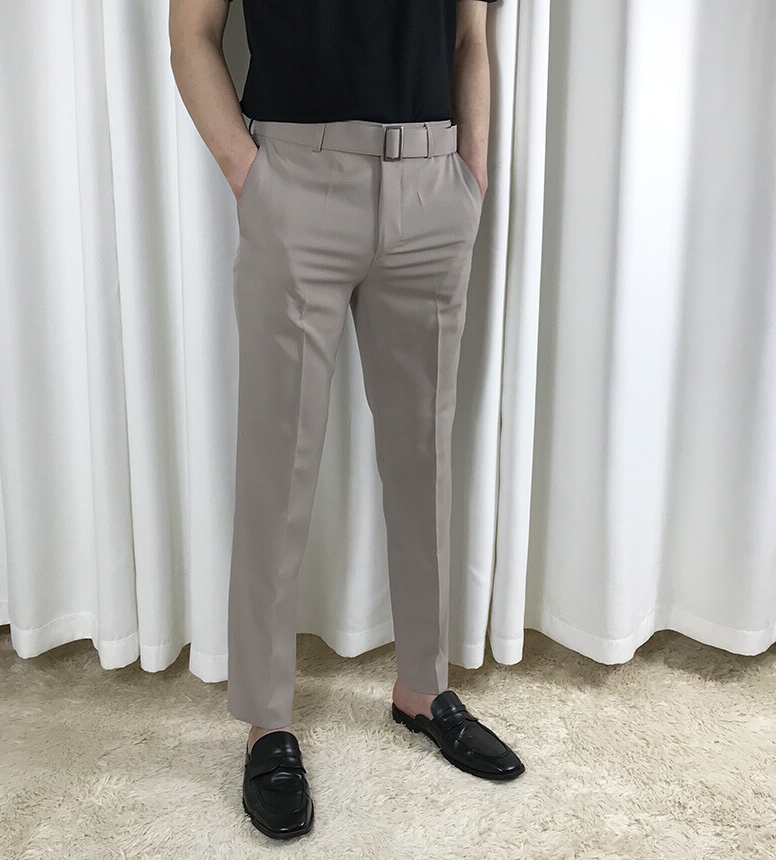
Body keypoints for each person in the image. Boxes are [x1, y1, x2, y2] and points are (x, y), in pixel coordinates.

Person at [169, 0, 525, 840]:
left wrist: (471, 167)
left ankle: (423, 687)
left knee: (423, 455)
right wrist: (250, 174)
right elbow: (191, 35)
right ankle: (266, 721)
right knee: (278, 465)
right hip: (296, 180)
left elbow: (470, 35)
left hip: (433, 184)